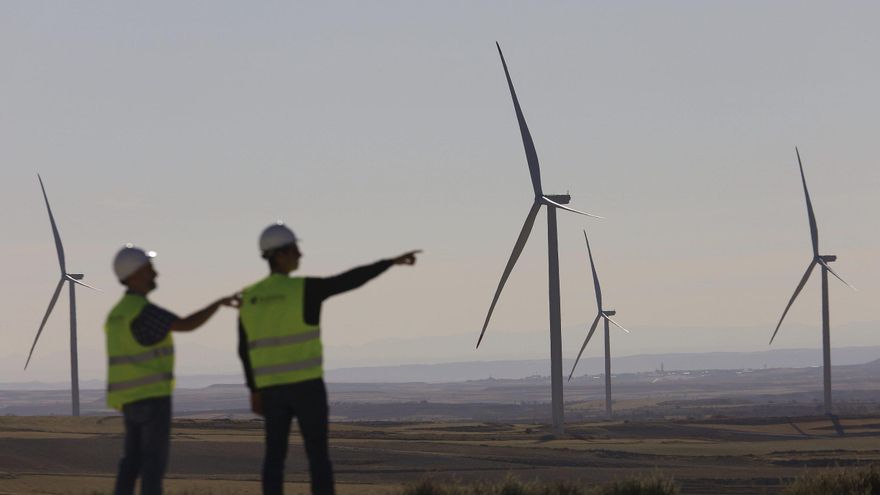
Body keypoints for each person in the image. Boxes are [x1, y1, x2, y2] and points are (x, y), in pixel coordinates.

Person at [238, 222, 419, 495]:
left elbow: (244, 347)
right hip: (307, 387)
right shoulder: (304, 289)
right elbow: (349, 279)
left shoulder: (249, 297)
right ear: (279, 254)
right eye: (295, 249)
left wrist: (254, 390)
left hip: (271, 391)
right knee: (318, 458)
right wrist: (390, 263)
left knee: (274, 459)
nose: (300, 254)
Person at [105, 244, 238, 495]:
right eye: (149, 269)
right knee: (152, 466)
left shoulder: (117, 314)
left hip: (128, 401)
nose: (155, 274)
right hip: (152, 399)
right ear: (134, 274)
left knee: (130, 463)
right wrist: (218, 304)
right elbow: (186, 324)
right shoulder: (143, 312)